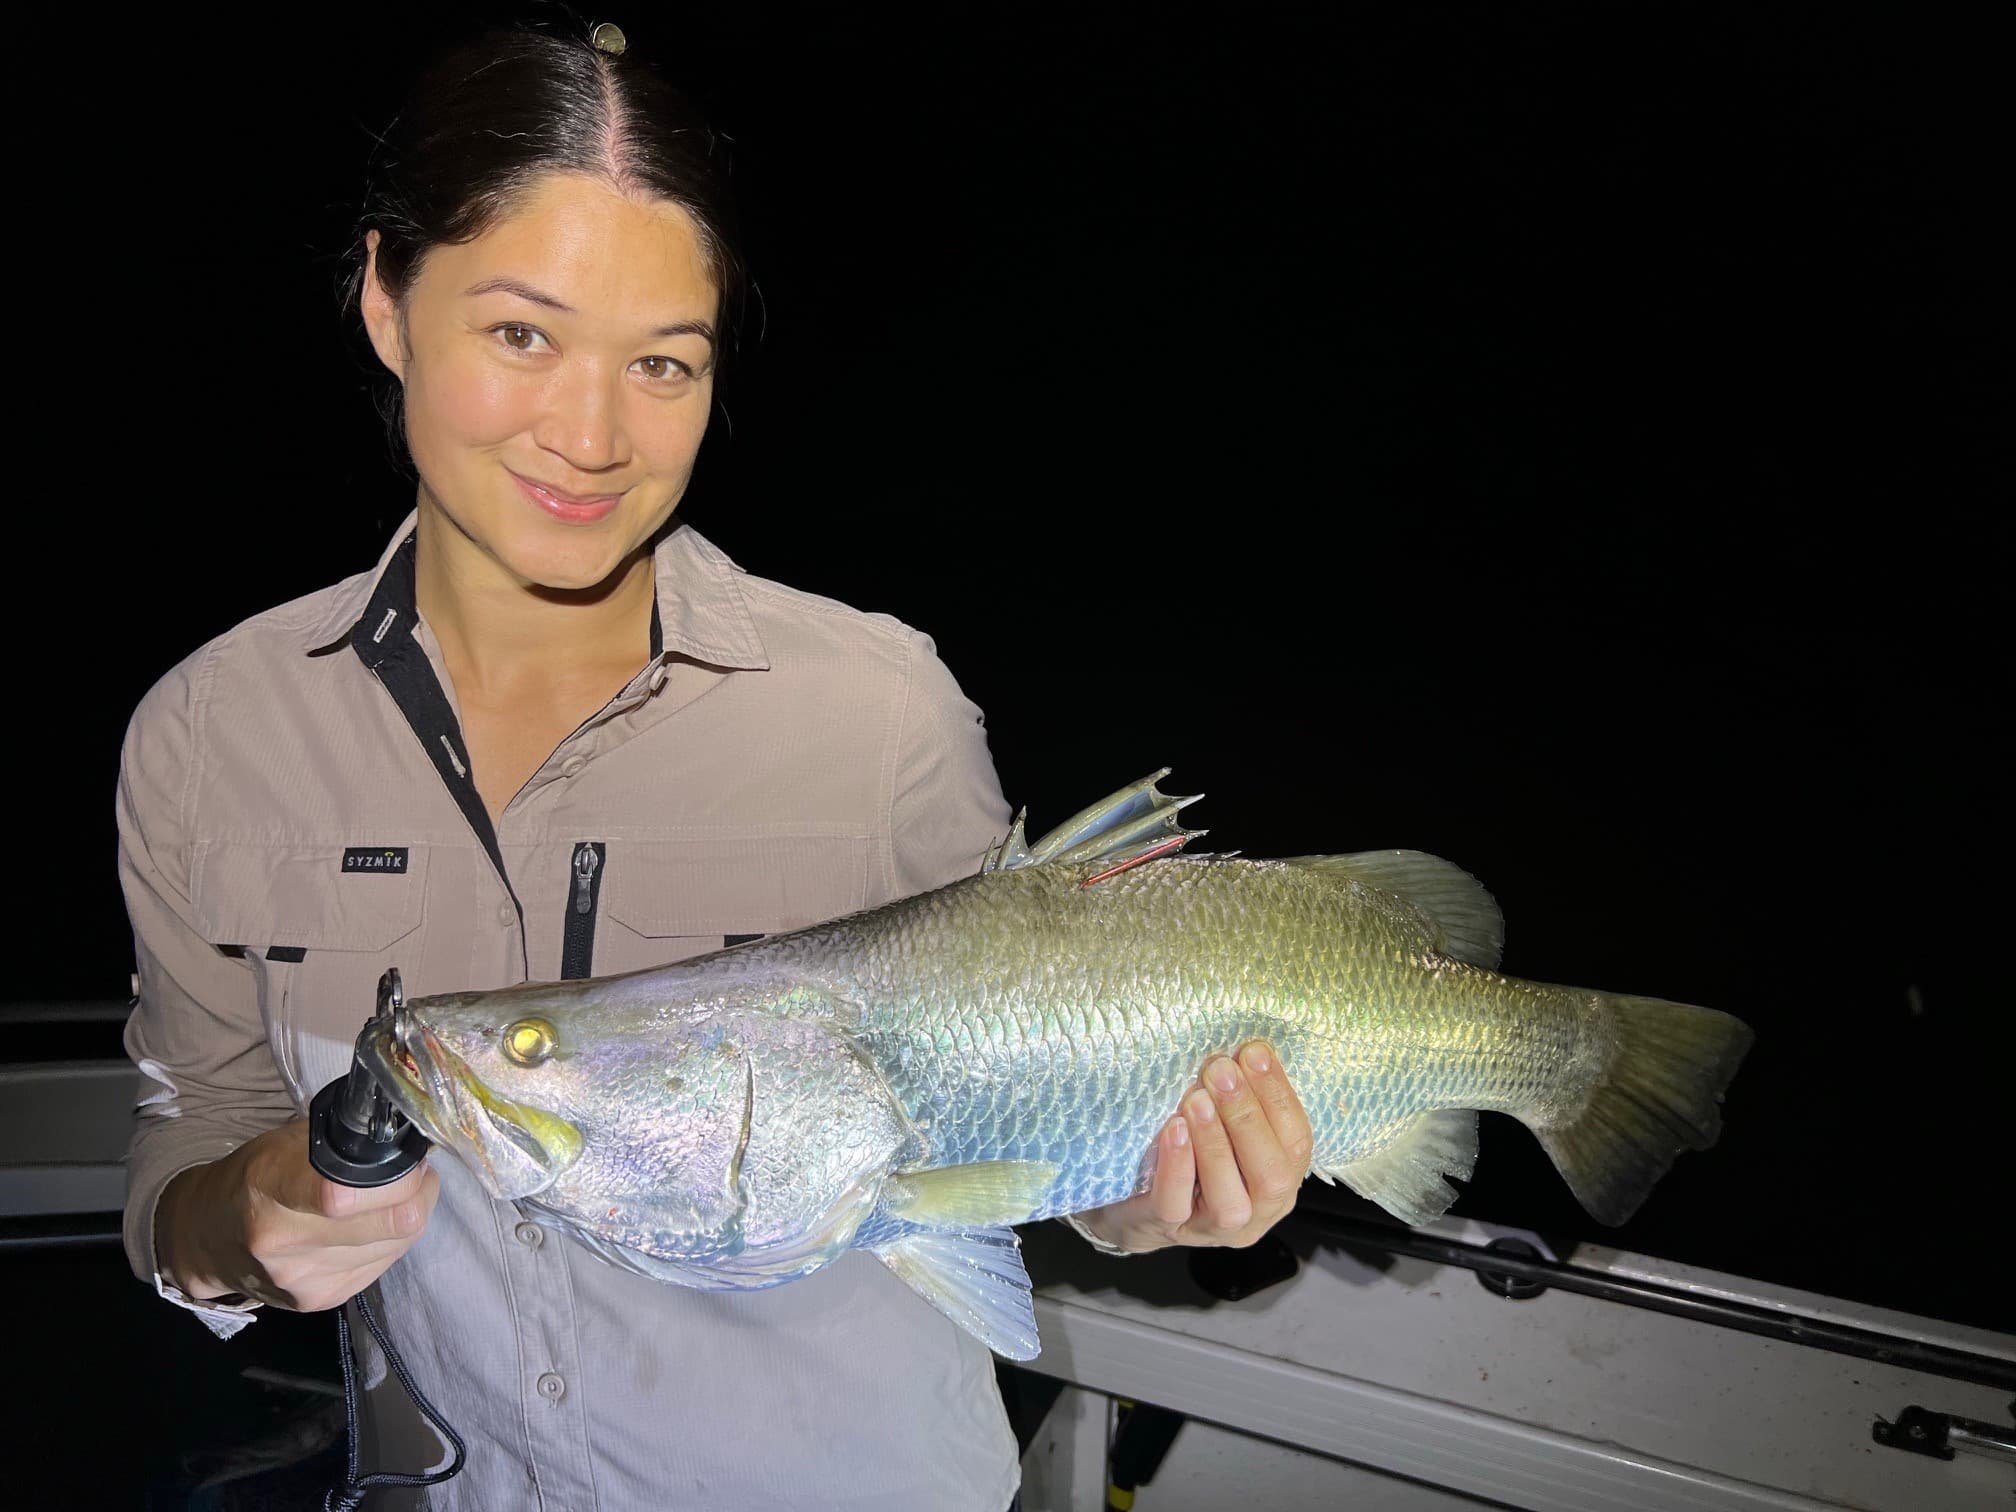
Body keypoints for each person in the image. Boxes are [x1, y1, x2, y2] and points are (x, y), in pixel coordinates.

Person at [117, 20, 1314, 1511]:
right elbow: (194, 1136)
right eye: (521, 335)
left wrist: (1149, 1200)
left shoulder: (875, 709)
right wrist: (241, 1220)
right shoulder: (210, 736)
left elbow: (1010, 1121)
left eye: (664, 363)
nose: (594, 435)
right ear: (383, 297)